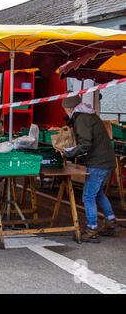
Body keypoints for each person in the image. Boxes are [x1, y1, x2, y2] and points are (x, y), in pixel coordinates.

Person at [61, 95, 117, 243]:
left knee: (88, 196)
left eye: (65, 110)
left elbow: (85, 144)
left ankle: (91, 228)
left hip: (98, 163)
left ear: (68, 109)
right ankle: (110, 221)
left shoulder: (81, 119)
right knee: (98, 193)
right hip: (106, 161)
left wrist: (68, 153)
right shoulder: (90, 116)